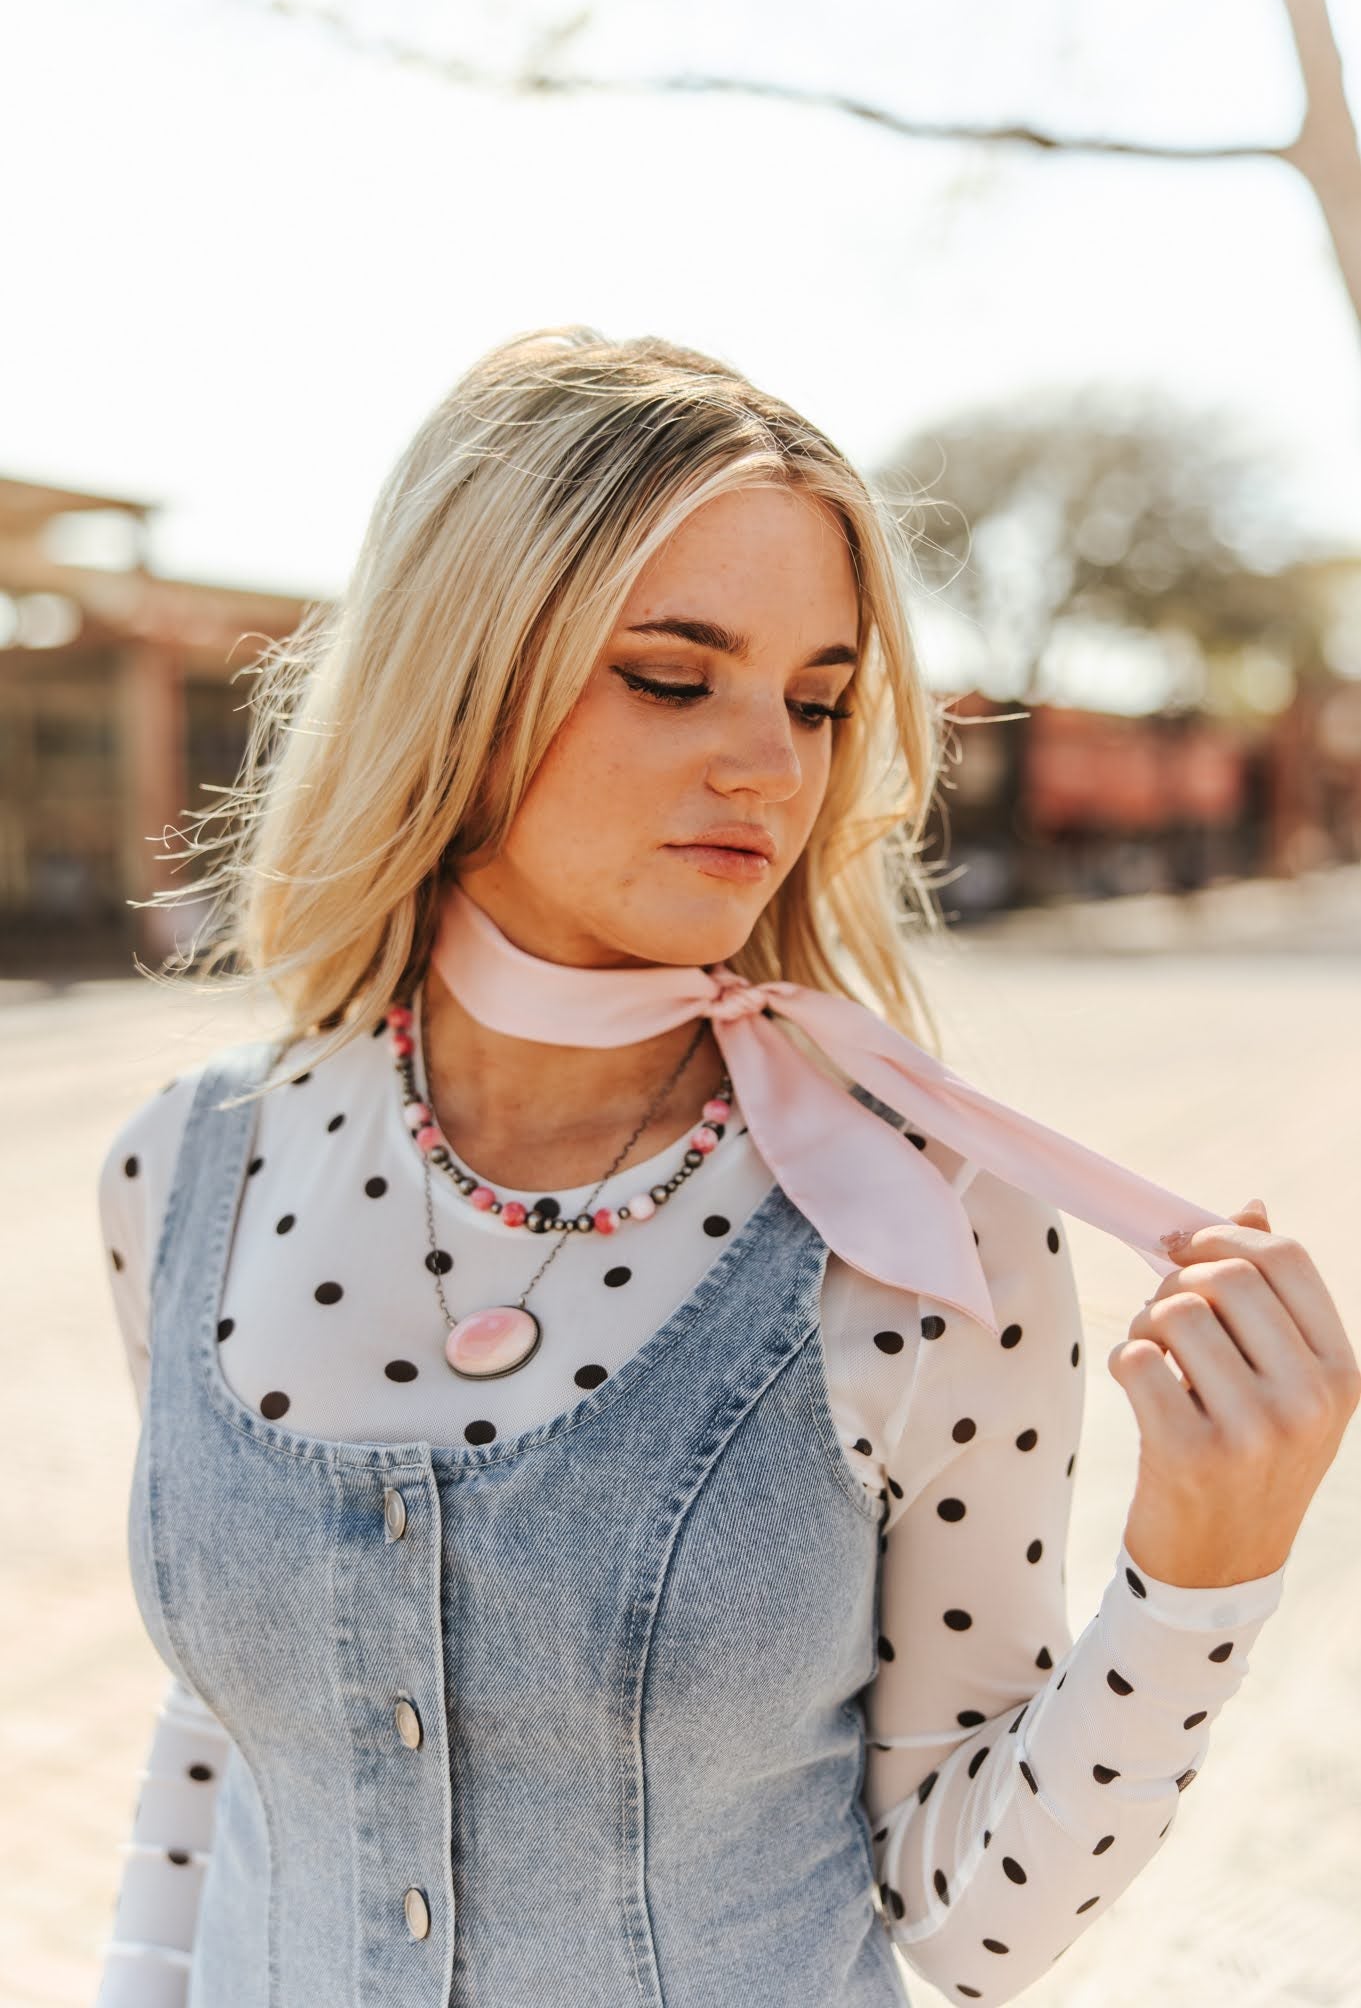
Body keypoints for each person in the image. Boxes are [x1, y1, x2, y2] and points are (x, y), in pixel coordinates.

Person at [93, 327, 1356, 2007]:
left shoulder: (921, 1222)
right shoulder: (191, 1168)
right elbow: (217, 1735)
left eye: (816, 701)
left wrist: (1203, 1568)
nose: (770, 764)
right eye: (671, 677)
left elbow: (964, 1926)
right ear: (458, 680)